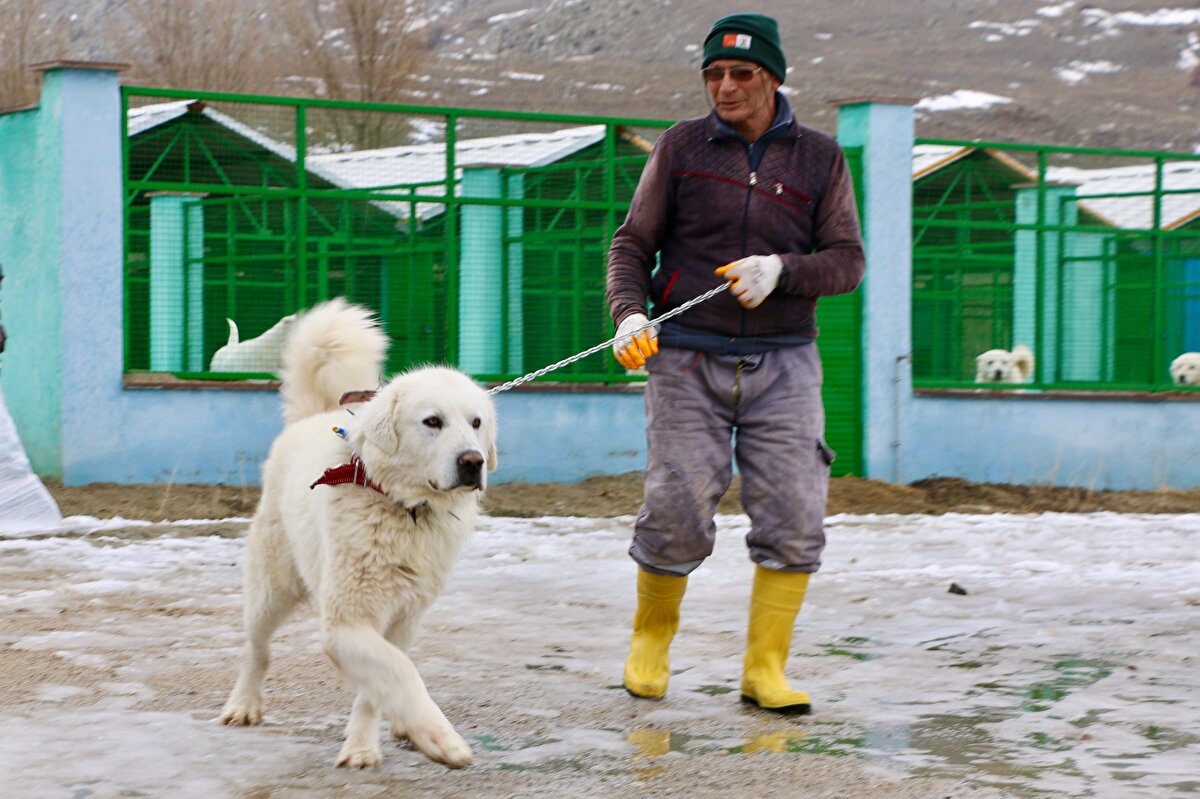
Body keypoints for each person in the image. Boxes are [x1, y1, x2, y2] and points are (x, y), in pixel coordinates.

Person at [605, 12, 865, 714]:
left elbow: (848, 262)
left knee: (796, 512)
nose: (725, 87)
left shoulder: (820, 158)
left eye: (741, 74)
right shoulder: (682, 147)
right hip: (687, 358)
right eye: (713, 74)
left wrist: (782, 271)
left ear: (773, 78)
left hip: (785, 363)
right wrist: (630, 313)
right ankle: (651, 642)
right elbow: (631, 245)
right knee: (676, 504)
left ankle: (765, 668)